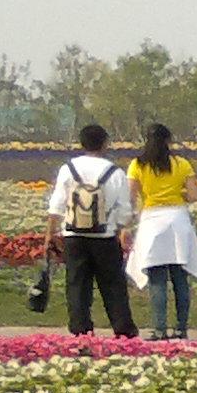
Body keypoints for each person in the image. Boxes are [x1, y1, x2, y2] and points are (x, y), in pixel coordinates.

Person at [45, 123, 141, 337]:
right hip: (104, 236)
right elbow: (125, 209)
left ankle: (81, 332)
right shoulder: (114, 172)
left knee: (77, 286)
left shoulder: (68, 169)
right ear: (105, 143)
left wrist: (50, 234)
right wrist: (121, 228)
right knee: (113, 285)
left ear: (82, 143)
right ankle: (124, 331)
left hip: (74, 236)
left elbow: (57, 204)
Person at [127, 123, 197, 338]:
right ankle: (181, 327)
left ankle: (159, 328)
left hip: (152, 222)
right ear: (168, 140)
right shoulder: (181, 163)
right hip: (178, 220)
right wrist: (180, 194)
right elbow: (195, 195)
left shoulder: (138, 165)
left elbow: (130, 196)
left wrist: (126, 222)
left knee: (157, 280)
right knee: (180, 278)